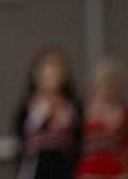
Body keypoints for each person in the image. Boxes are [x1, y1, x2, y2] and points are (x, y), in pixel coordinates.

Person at [15, 47, 82, 179]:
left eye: (57, 68)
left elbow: (79, 139)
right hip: (36, 167)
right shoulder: (28, 106)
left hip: (64, 167)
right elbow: (20, 140)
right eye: (47, 68)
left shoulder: (72, 106)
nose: (52, 74)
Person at [75, 57, 128, 179]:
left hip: (115, 169)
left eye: (109, 84)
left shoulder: (125, 111)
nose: (104, 90)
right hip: (89, 169)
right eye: (100, 84)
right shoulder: (82, 110)